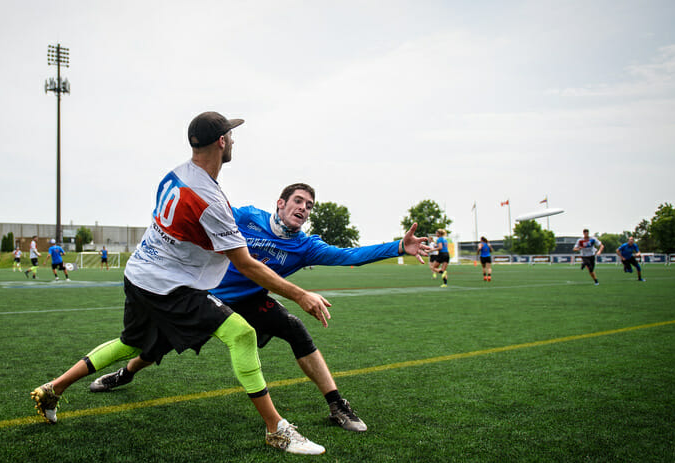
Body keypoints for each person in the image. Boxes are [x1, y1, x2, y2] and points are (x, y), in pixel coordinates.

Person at [30, 111, 332, 455]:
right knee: (242, 334)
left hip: (139, 275)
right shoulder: (210, 199)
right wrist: (300, 294)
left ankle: (52, 389)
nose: (233, 140)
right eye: (230, 135)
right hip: (168, 286)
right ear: (221, 142)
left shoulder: (175, 175)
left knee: (132, 344)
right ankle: (276, 429)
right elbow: (245, 263)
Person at [90, 182, 432, 432]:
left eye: (310, 205)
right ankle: (126, 373)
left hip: (251, 301)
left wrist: (398, 247)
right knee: (154, 345)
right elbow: (208, 221)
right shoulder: (246, 217)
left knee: (295, 329)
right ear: (281, 204)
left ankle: (336, 404)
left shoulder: (305, 247)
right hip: (206, 296)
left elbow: (349, 256)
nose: (304, 208)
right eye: (298, 201)